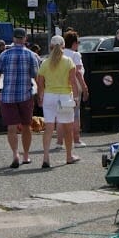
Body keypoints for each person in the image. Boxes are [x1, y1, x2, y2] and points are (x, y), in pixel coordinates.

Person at [0, 27, 40, 168]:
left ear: (13, 39)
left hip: (8, 96)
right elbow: (36, 76)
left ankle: (15, 155)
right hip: (25, 95)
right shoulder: (32, 55)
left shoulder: (4, 55)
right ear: (25, 39)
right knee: (26, 126)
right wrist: (41, 93)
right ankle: (26, 155)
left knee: (11, 127)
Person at [37, 35, 79, 168]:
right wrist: (76, 98)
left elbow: (40, 82)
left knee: (49, 127)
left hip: (49, 96)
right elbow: (73, 81)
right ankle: (69, 156)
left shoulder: (45, 62)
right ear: (63, 46)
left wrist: (40, 96)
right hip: (65, 97)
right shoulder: (68, 61)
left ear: (50, 47)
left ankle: (46, 157)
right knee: (67, 128)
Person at [55, 30, 88, 148]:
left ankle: (59, 142)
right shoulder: (75, 55)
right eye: (78, 42)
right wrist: (84, 88)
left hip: (60, 87)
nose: (78, 45)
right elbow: (78, 72)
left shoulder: (60, 54)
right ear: (74, 43)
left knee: (60, 114)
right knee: (75, 114)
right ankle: (77, 140)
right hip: (73, 88)